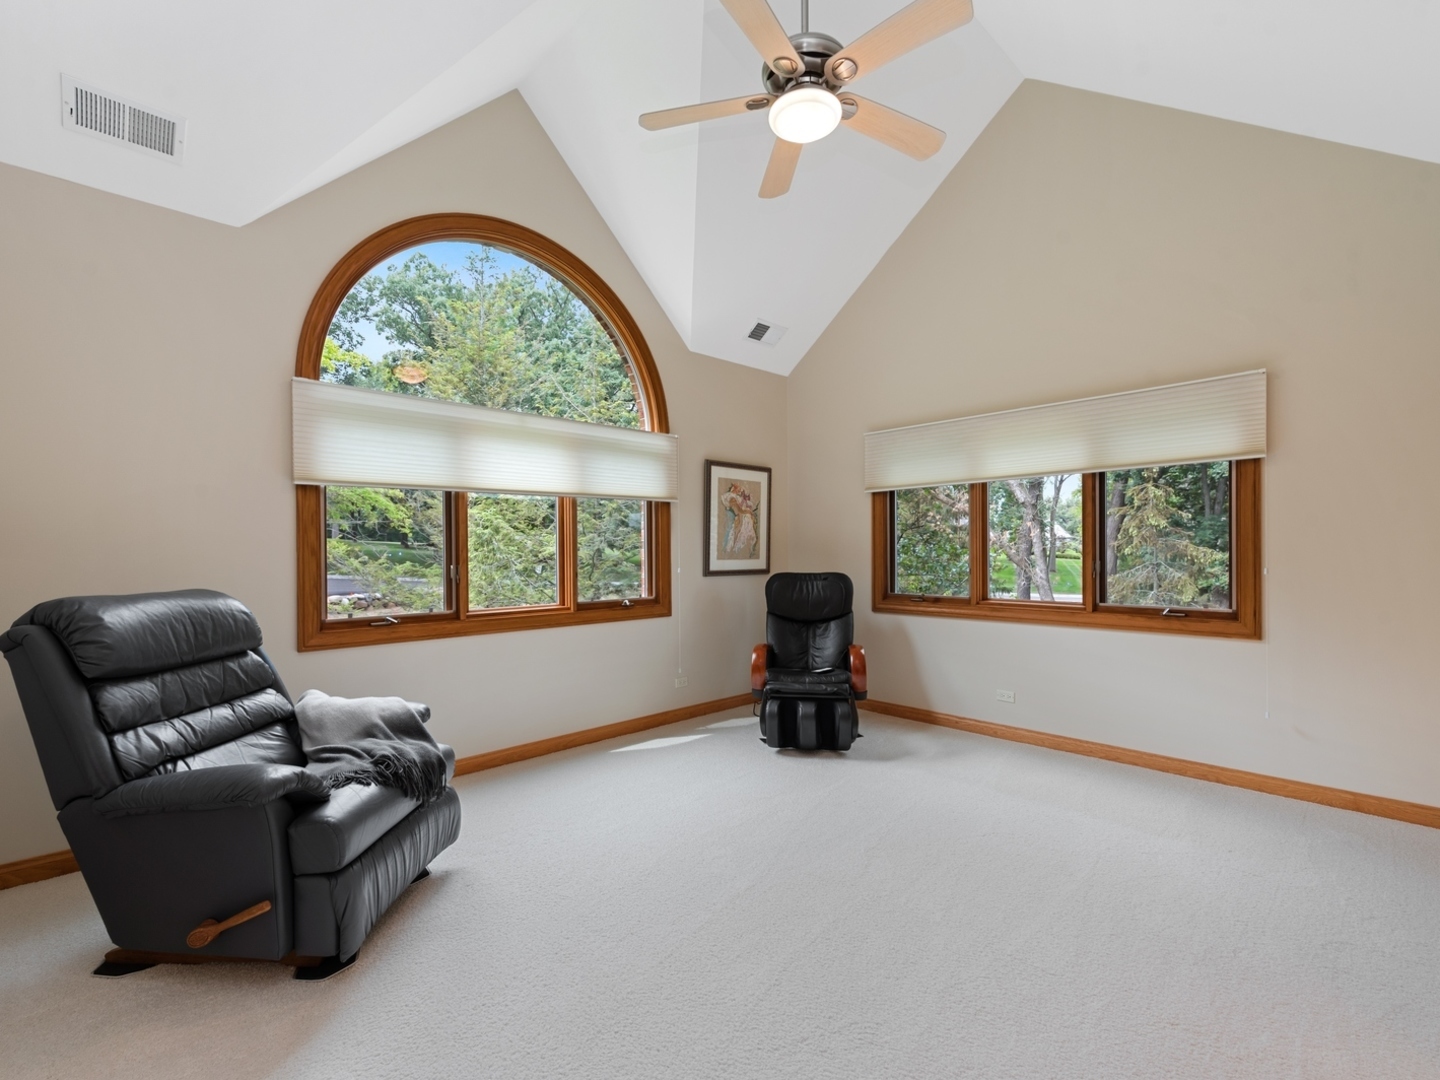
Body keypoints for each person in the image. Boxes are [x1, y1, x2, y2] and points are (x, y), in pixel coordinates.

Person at [721, 482, 758, 558]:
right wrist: (747, 512)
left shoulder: (736, 497)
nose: (740, 491)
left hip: (741, 516)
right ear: (733, 489)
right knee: (739, 531)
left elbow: (742, 507)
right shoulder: (731, 497)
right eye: (738, 489)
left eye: (740, 489)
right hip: (737, 517)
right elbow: (738, 510)